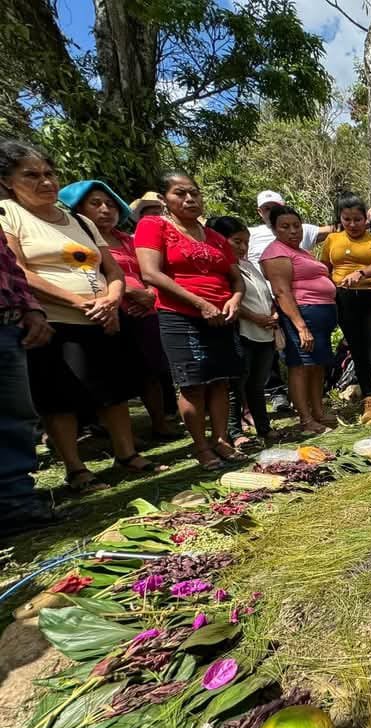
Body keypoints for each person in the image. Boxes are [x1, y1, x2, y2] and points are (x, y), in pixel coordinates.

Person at [0, 140, 166, 493]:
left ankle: (127, 454)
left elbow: (113, 269)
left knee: (115, 390)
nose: (45, 182)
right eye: (31, 175)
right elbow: (18, 270)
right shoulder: (9, 214)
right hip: (54, 320)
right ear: (8, 181)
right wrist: (78, 301)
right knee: (59, 397)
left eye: (49, 173)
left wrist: (111, 299)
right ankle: (76, 470)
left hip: (102, 316)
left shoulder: (78, 221)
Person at [135, 171, 245, 470]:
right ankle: (201, 447)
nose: (189, 199)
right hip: (181, 315)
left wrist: (234, 300)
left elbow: (236, 278)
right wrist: (200, 303)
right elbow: (151, 273)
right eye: (180, 193)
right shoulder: (153, 226)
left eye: (194, 193)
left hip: (222, 316)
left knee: (221, 381)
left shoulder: (215, 237)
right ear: (164, 198)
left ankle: (222, 440)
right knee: (193, 384)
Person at [59, 180, 179, 440]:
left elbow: (152, 270)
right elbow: (90, 275)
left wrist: (150, 294)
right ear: (78, 208)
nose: (105, 209)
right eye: (96, 203)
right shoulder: (79, 241)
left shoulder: (129, 239)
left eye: (110, 204)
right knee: (115, 376)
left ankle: (160, 423)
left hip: (147, 313)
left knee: (152, 371)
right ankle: (116, 434)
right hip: (110, 313)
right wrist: (129, 294)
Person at [260, 205, 338, 434]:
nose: (293, 231)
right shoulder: (276, 253)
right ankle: (305, 419)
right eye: (285, 227)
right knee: (301, 365)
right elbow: (282, 292)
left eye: (296, 226)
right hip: (301, 315)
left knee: (316, 365)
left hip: (320, 316)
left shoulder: (300, 251)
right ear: (274, 229)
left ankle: (318, 411)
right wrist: (301, 326)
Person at [205, 216, 281, 447]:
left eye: (245, 242)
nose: (242, 247)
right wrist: (255, 317)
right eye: (236, 241)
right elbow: (230, 300)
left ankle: (263, 428)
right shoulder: (220, 269)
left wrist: (273, 312)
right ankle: (235, 432)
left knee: (257, 385)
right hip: (243, 332)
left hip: (265, 332)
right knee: (236, 386)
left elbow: (264, 294)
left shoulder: (248, 265)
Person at [0, 231, 57, 534]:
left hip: (7, 324)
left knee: (17, 418)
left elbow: (10, 266)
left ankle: (19, 503)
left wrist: (32, 309)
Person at [323, 193, 371, 422]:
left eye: (357, 219)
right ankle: (367, 399)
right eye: (347, 219)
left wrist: (360, 273)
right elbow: (325, 267)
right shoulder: (332, 240)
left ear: (365, 219)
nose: (352, 224)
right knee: (357, 350)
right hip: (343, 298)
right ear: (340, 218)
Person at [247, 190, 331, 263]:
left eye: (275, 208)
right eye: (267, 209)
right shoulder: (249, 234)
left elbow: (335, 229)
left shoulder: (300, 229)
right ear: (260, 212)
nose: (272, 212)